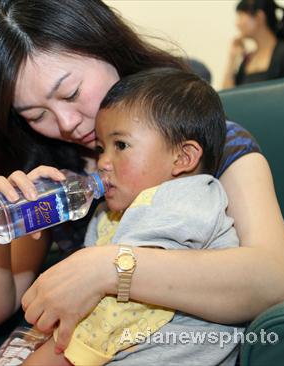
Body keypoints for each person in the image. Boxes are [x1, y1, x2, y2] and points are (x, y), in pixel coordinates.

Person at [0, 0, 284, 357]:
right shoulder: (55, 169)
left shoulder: (209, 145)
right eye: (36, 114)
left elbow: (276, 277)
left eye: (71, 93)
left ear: (106, 46)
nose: (66, 122)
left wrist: (109, 267)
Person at [26, 68, 242, 365]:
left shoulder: (180, 202)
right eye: (101, 148)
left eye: (121, 146)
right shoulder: (116, 210)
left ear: (182, 158)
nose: (102, 162)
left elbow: (112, 313)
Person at [223, 0, 284, 88]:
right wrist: (232, 59)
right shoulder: (248, 59)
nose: (237, 24)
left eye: (241, 16)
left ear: (259, 17)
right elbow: (227, 97)